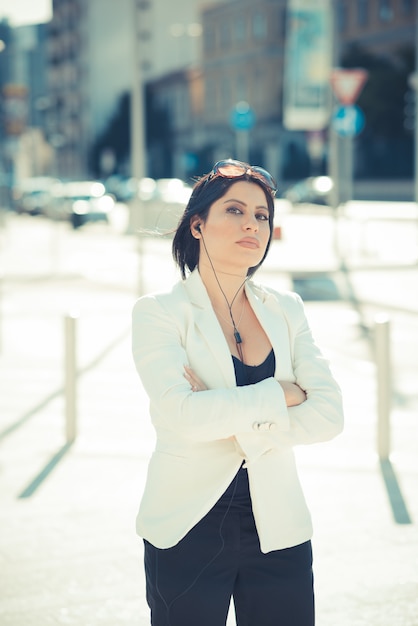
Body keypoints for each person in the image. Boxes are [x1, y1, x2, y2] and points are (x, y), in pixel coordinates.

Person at [131, 159, 344, 626]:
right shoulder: (160, 313)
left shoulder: (286, 309)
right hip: (186, 525)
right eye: (234, 210)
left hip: (279, 526)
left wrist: (221, 412)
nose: (251, 223)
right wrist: (282, 394)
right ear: (198, 225)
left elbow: (329, 415)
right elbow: (183, 414)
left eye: (262, 215)